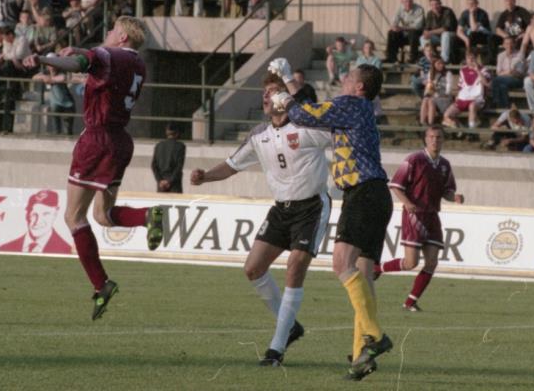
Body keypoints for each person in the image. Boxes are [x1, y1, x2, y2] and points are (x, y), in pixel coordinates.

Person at [21, 17, 164, 320]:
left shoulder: (108, 55)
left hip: (96, 140)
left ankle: (102, 284)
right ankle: (145, 216)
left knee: (73, 216)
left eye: (112, 30)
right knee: (102, 214)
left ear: (122, 36)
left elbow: (81, 63)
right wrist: (78, 53)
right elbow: (92, 62)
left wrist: (44, 59)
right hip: (120, 140)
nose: (108, 32)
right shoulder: (138, 64)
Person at [190, 74, 332, 367]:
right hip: (281, 210)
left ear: (285, 98)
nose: (266, 96)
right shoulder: (259, 135)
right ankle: (290, 326)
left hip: (311, 208)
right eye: (264, 92)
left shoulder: (306, 128)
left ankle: (276, 350)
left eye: (273, 91)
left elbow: (338, 135)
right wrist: (205, 177)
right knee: (253, 269)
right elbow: (232, 165)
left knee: (295, 266)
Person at [267, 58, 393, 380]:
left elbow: (302, 114)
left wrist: (283, 97)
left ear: (359, 87)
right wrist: (289, 82)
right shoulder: (358, 110)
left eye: (349, 77)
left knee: (341, 263)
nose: (344, 79)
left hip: (361, 193)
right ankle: (361, 355)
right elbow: (312, 110)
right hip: (377, 194)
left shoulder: (350, 104)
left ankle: (376, 337)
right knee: (362, 276)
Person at [375, 126, 463, 310]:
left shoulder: (445, 165)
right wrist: (407, 203)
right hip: (415, 215)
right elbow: (396, 185)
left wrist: (454, 197)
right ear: (425, 139)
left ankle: (410, 302)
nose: (435, 140)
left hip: (432, 216)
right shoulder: (414, 159)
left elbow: (447, 191)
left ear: (443, 140)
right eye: (431, 137)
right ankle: (377, 269)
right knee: (411, 263)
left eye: (438, 137)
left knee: (432, 262)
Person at [0, 190, 74, 254]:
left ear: (55, 213)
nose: (38, 221)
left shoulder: (67, 251)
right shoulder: (5, 249)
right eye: (34, 215)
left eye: (45, 214)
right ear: (27, 214)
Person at [386, 0, 424, 64]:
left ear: (412, 1)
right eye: (406, 1)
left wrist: (401, 28)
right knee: (391, 33)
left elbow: (417, 26)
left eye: (410, 1)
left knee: (413, 32)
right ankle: (391, 57)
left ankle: (413, 58)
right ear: (402, 2)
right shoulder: (399, 8)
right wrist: (394, 27)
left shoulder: (419, 9)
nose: (408, 3)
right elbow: (394, 21)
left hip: (416, 35)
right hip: (404, 35)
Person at [151, 123, 186, 193]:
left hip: (161, 184)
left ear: (166, 132)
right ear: (177, 133)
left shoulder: (159, 146)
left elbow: (154, 165)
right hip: (174, 185)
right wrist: (169, 181)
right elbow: (179, 167)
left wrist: (160, 180)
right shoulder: (180, 146)